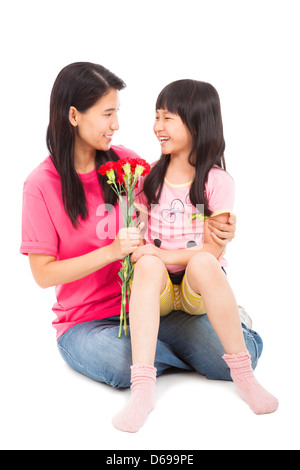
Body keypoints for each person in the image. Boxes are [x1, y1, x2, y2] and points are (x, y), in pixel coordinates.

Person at [21, 62, 244, 430]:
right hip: (87, 323)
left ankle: (212, 331)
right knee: (120, 365)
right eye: (108, 113)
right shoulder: (41, 185)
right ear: (73, 115)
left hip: (147, 306)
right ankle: (203, 336)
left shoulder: (126, 163)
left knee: (242, 357)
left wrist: (218, 228)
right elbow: (42, 275)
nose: (116, 124)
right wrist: (111, 251)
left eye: (117, 113)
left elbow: (178, 202)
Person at [112, 80, 278, 433]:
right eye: (156, 116)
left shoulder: (217, 181)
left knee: (204, 261)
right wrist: (143, 248)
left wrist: (159, 250)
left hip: (193, 288)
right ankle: (143, 389)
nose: (158, 126)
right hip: (158, 290)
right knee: (148, 264)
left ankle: (243, 375)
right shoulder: (150, 178)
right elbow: (136, 231)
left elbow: (213, 249)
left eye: (168, 118)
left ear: (197, 123)